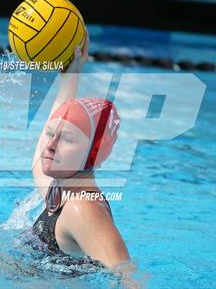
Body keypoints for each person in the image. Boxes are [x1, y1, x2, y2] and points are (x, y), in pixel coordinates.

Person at [30, 30, 142, 287]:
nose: (50, 146)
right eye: (50, 134)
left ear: (93, 153)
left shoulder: (83, 209)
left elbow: (129, 277)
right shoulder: (63, 191)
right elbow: (37, 163)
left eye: (66, 139)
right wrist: (70, 76)